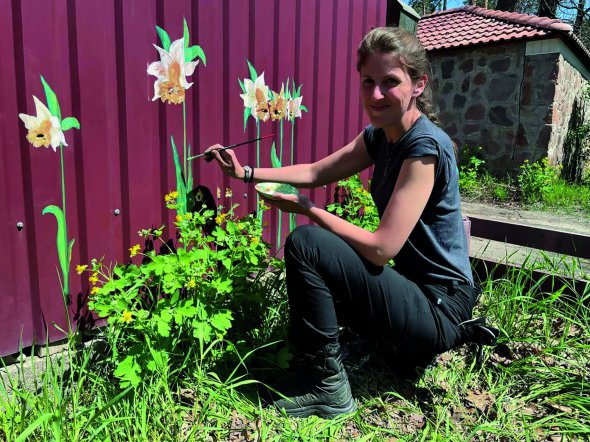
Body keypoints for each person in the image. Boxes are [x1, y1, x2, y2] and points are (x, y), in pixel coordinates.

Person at [205, 27, 479, 419]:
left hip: (440, 308)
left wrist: (310, 210)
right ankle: (372, 348)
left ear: (419, 84)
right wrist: (247, 172)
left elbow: (383, 248)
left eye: (390, 82)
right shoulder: (381, 137)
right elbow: (318, 171)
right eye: (368, 82)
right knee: (326, 269)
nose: (376, 94)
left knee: (309, 244)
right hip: (412, 293)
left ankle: (328, 389)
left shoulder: (424, 148)